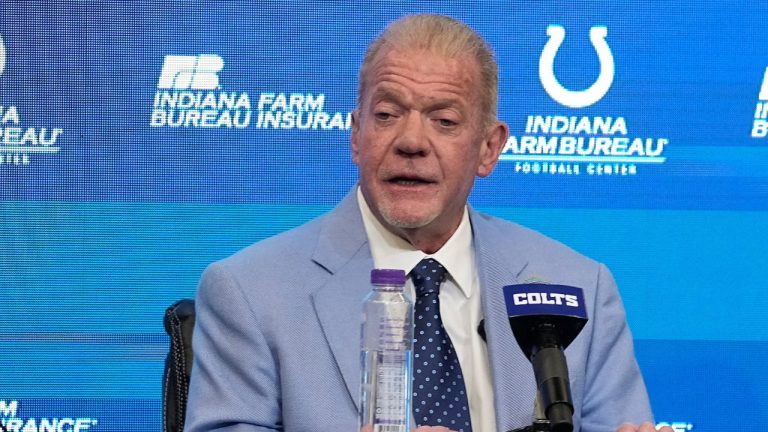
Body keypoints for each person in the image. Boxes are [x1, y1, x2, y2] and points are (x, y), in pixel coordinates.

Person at [185, 14, 672, 432]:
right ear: (356, 136)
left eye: (444, 120)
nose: (411, 141)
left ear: (489, 148)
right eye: (387, 113)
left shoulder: (577, 286)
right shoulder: (251, 292)